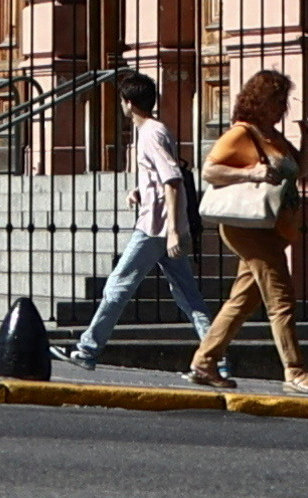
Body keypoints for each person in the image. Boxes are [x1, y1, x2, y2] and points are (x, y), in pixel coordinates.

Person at [66, 70, 207, 369]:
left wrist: (171, 231)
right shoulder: (155, 130)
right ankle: (216, 358)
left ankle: (88, 350)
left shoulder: (150, 133)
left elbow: (172, 179)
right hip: (162, 223)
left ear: (128, 103)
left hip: (154, 228)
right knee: (188, 296)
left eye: (121, 101)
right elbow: (161, 179)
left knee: (117, 286)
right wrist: (140, 191)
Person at [185, 68, 308, 392]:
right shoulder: (243, 133)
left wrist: (307, 140)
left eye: (284, 100)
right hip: (247, 226)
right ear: (261, 101)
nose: (282, 107)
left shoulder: (274, 135)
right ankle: (294, 370)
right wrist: (252, 173)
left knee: (243, 299)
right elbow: (210, 169)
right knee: (281, 297)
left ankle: (205, 361)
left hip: (273, 226)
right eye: (276, 100)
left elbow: (298, 170)